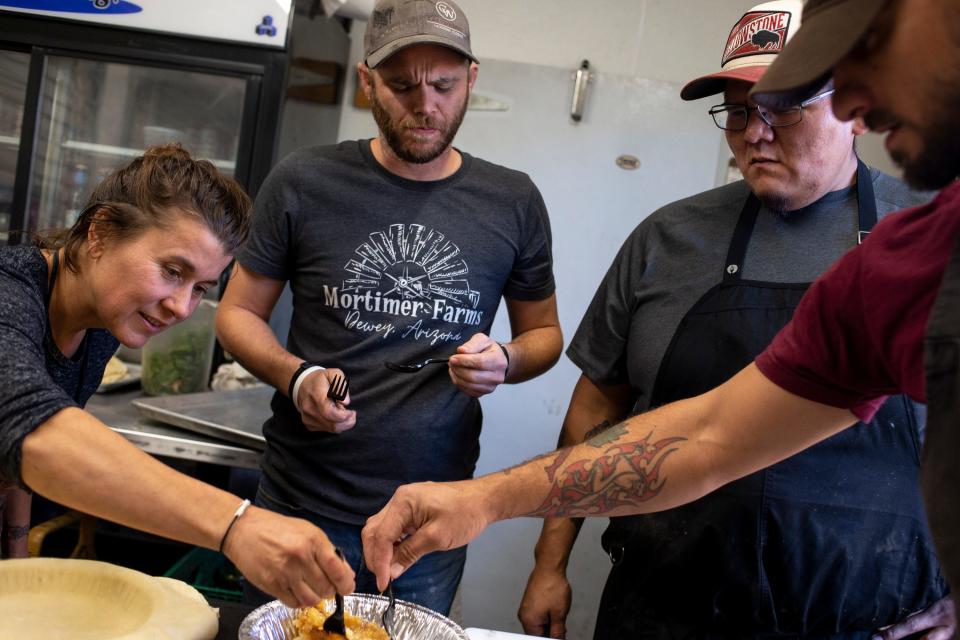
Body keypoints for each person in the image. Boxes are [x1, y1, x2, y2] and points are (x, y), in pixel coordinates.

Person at [360, 0, 960, 628]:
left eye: (789, 104)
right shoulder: (892, 270)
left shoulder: (911, 245)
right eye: (739, 112)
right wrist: (484, 502)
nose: (856, 98)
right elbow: (709, 437)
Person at [215, 0, 562, 615]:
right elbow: (236, 313)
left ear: (471, 80)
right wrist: (296, 379)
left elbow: (545, 335)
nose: (425, 105)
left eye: (444, 85)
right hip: (299, 508)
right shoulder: (304, 181)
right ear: (366, 81)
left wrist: (504, 360)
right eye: (401, 85)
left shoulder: (513, 200)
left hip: (430, 520)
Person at [0, 144, 354, 606]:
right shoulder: (10, 296)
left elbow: (13, 460)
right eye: (172, 271)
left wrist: (15, 559)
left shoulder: (102, 324)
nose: (181, 307)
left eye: (200, 288)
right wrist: (237, 524)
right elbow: (32, 433)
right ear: (100, 232)